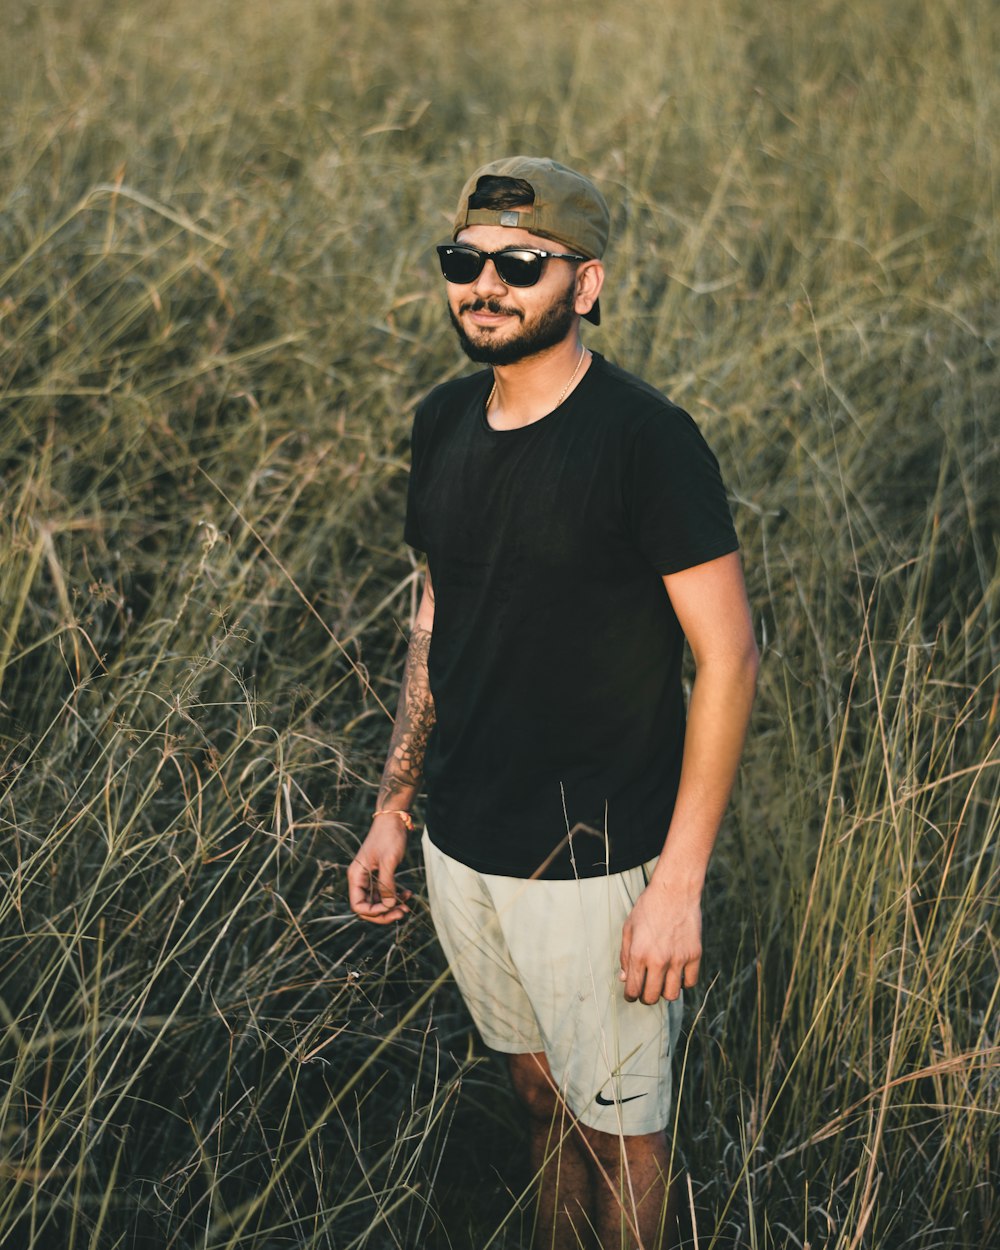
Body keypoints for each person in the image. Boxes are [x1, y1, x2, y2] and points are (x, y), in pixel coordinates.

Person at [347, 156, 759, 1250]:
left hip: (596, 860)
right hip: (464, 840)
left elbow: (728, 658)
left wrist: (676, 883)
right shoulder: (441, 420)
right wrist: (396, 803)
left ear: (586, 285)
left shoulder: (644, 440)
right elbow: (437, 613)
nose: (485, 284)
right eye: (464, 260)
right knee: (537, 1099)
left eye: (520, 263)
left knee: (622, 1132)